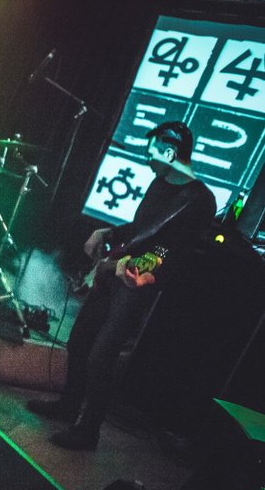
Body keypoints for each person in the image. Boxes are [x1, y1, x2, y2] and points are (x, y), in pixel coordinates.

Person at [27, 121, 216, 450]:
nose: (147, 158)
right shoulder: (160, 184)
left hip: (136, 283)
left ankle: (89, 430)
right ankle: (69, 404)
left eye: (153, 151)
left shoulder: (198, 200)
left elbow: (171, 250)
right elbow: (143, 228)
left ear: (171, 152)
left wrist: (137, 267)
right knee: (80, 339)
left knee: (102, 355)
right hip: (116, 271)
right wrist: (108, 232)